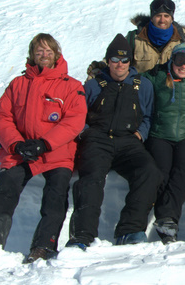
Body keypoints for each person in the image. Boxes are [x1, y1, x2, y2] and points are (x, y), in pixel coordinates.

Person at [0, 34, 87, 263]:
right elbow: (3, 116)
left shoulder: (71, 86)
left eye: (48, 51)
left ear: (56, 54)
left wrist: (45, 143)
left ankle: (43, 247)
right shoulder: (18, 84)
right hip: (20, 150)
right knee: (4, 192)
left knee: (55, 195)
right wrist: (15, 144)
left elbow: (74, 122)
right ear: (32, 55)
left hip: (56, 153)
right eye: (39, 52)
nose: (44, 56)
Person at [67, 34, 162, 248]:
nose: (120, 65)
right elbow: (79, 114)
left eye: (124, 60)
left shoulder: (142, 85)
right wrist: (86, 133)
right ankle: (82, 235)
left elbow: (148, 116)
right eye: (115, 60)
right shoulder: (93, 86)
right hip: (98, 140)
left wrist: (141, 135)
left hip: (128, 141)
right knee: (91, 179)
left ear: (130, 62)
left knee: (149, 172)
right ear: (108, 61)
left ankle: (130, 229)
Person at [142, 42, 185, 244]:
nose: (183, 66)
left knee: (182, 173)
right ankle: (165, 217)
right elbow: (132, 78)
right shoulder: (157, 78)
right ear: (171, 60)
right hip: (160, 135)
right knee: (162, 172)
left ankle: (169, 220)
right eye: (179, 60)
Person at [86, 0, 185, 77]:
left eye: (166, 16)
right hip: (139, 93)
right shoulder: (134, 38)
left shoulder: (180, 41)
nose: (162, 20)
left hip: (166, 96)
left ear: (172, 18)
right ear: (152, 18)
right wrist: (101, 67)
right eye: (158, 16)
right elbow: (118, 57)